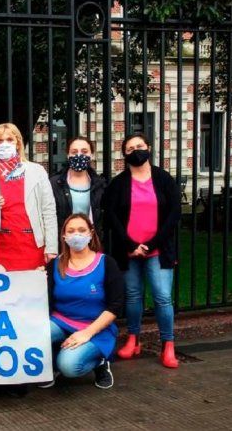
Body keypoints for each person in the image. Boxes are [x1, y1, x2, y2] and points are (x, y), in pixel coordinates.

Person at [103, 133, 181, 368]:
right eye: (130, 148)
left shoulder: (163, 179)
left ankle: (168, 345)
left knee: (162, 297)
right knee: (134, 297)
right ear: (124, 154)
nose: (136, 150)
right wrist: (130, 245)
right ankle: (133, 339)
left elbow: (174, 213)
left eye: (139, 146)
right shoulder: (118, 183)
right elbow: (111, 216)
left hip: (158, 250)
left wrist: (151, 244)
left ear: (148, 147)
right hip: (129, 251)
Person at [41, 214, 123, 389]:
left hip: (95, 326)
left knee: (69, 366)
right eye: (70, 231)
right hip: (60, 321)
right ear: (64, 236)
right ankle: (54, 363)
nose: (76, 235)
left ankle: (100, 362)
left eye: (81, 230)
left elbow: (116, 305)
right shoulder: (55, 264)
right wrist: (36, 278)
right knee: (34, 336)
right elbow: (44, 298)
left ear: (91, 233)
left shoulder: (106, 263)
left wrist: (87, 333)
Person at [0, 122, 58, 271]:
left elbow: (48, 210)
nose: (4, 144)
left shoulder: (37, 171)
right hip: (2, 246)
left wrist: (51, 247)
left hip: (32, 245)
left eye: (9, 139)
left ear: (18, 143)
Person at [49, 137, 106, 240]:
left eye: (84, 151)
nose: (79, 155)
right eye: (74, 152)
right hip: (64, 242)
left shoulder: (100, 184)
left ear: (92, 155)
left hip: (91, 242)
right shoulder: (55, 183)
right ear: (68, 155)